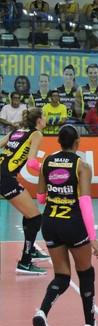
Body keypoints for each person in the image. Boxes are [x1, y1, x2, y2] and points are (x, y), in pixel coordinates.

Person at [32, 124, 98, 326]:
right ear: (78, 142)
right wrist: (92, 237)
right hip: (72, 224)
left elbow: (40, 198)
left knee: (62, 276)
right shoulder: (81, 166)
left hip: (50, 223)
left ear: (59, 142)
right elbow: (85, 203)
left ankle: (41, 314)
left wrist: (57, 190)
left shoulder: (46, 161)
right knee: (86, 273)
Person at [0, 107, 50, 275]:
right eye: (44, 115)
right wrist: (49, 168)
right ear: (38, 121)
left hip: (4, 174)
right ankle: (25, 262)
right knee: (36, 218)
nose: (46, 118)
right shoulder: (36, 134)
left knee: (31, 214)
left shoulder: (17, 130)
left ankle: (30, 250)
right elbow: (31, 163)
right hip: (5, 178)